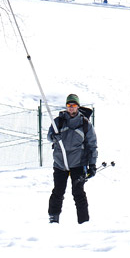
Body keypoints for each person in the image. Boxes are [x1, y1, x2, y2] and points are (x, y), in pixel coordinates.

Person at [48, 94, 98, 224]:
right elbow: (49, 136)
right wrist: (55, 137)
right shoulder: (58, 121)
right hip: (60, 163)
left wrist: (92, 165)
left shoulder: (85, 124)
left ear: (78, 106)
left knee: (78, 192)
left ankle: (84, 221)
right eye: (69, 105)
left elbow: (92, 145)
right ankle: (53, 218)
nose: (71, 108)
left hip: (78, 163)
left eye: (74, 105)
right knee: (58, 191)